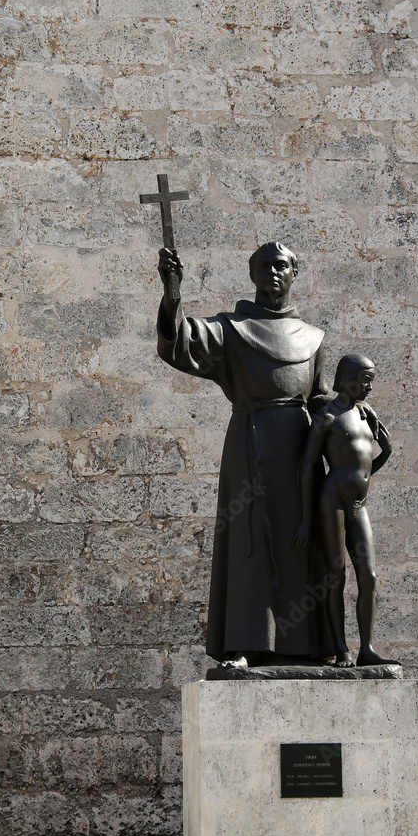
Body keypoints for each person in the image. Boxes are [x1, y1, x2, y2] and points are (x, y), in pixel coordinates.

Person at [157, 241, 333, 668]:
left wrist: (353, 417)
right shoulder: (230, 329)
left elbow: (319, 398)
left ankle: (309, 646)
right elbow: (180, 344)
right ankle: (247, 643)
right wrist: (173, 294)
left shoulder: (313, 338)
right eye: (264, 266)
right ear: (252, 275)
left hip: (300, 455)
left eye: (281, 266)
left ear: (294, 273)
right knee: (248, 543)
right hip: (250, 448)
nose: (273, 272)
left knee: (302, 543)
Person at [293, 354, 394, 667]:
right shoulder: (326, 417)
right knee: (336, 575)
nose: (369, 387)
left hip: (359, 504)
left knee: (369, 576)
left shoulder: (366, 413)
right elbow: (307, 466)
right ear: (348, 379)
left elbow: (364, 469)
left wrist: (387, 451)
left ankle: (366, 648)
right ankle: (341, 649)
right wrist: (307, 518)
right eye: (365, 380)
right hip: (332, 500)